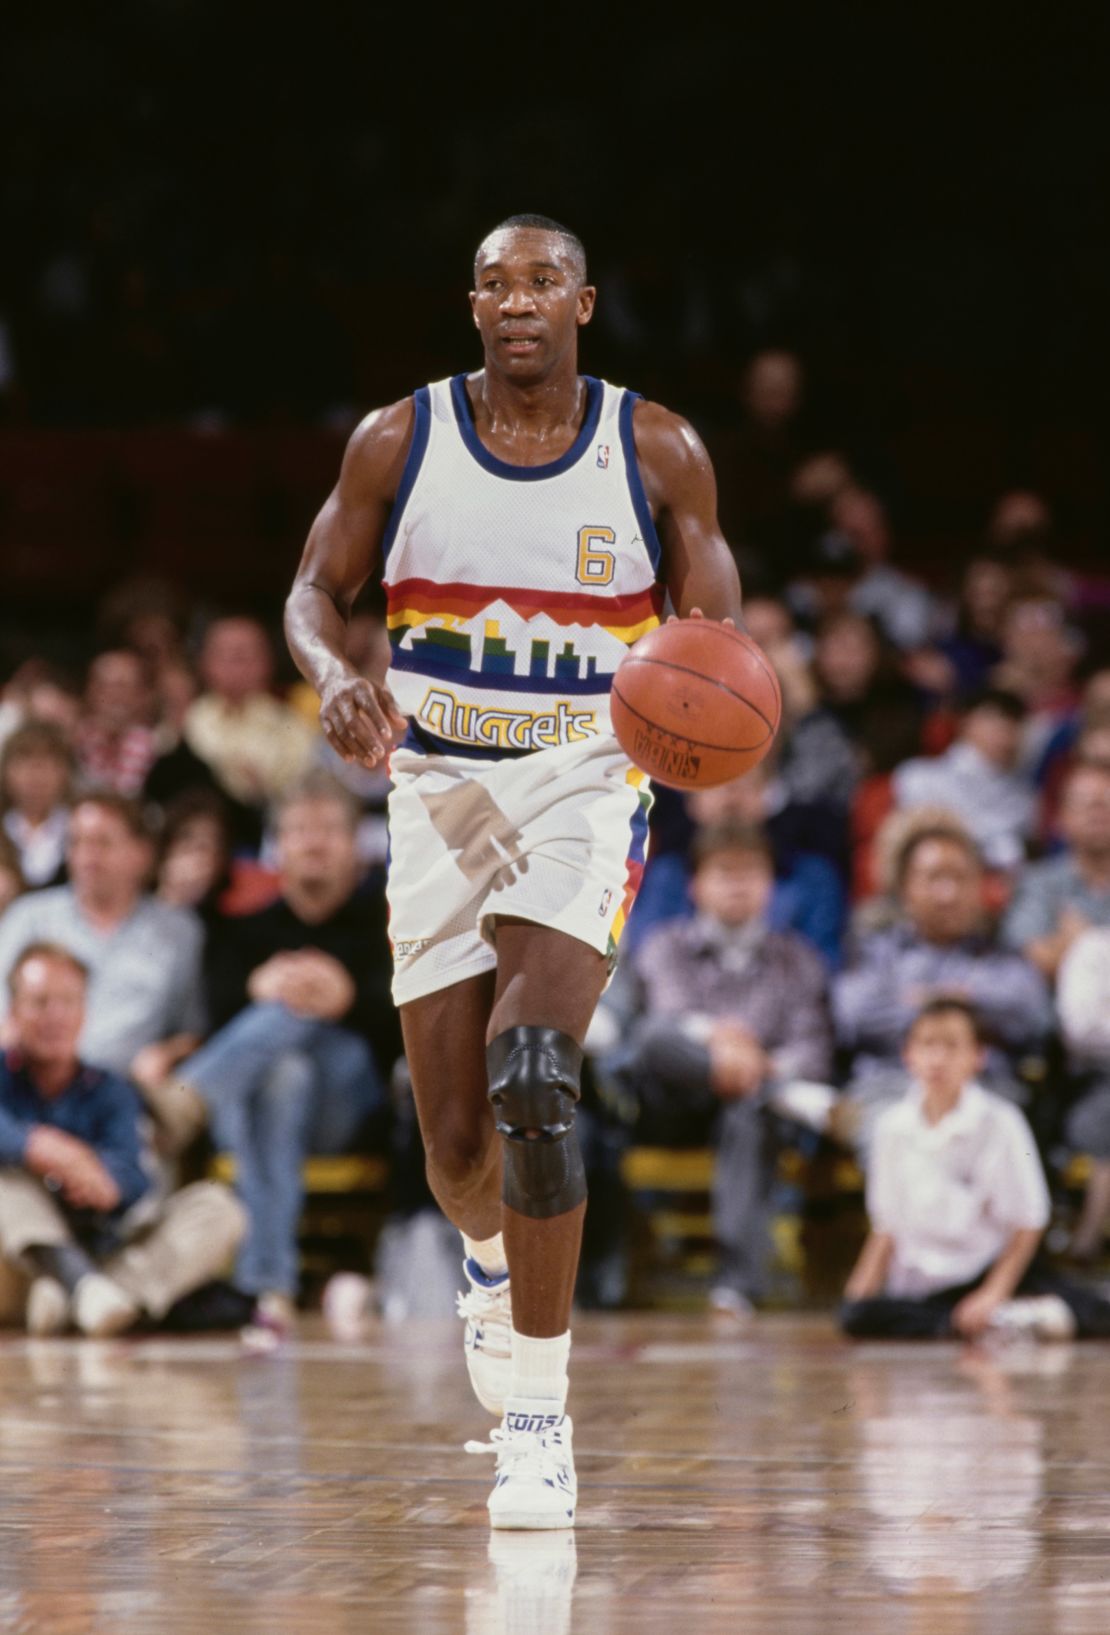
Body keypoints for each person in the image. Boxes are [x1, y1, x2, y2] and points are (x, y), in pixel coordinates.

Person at [283, 214, 743, 1529]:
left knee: (534, 1068)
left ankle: (539, 1419)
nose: (518, 298)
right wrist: (332, 678)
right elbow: (313, 594)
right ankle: (486, 1263)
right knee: (454, 1146)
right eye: (496, 280)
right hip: (437, 786)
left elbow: (718, 638)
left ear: (584, 301)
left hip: (585, 782)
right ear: (470, 305)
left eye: (543, 278)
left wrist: (699, 707)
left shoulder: (653, 447)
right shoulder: (397, 436)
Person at [159, 774, 394, 1329]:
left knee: (283, 1017)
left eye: (330, 830)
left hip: (349, 1109)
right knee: (282, 1074)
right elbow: (214, 1022)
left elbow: (403, 1033)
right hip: (265, 1106)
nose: (314, 842)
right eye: (300, 830)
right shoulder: (241, 931)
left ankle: (183, 1101)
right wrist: (258, 989)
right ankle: (270, 1285)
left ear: (353, 847)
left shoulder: (385, 927)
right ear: (277, 848)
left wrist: (346, 996)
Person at [602, 822, 832, 1314]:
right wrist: (725, 1048)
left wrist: (757, 1065)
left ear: (771, 885)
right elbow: (667, 1023)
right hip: (671, 1102)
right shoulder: (665, 944)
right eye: (724, 872)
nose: (738, 884)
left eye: (751, 873)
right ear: (696, 885)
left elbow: (813, 1051)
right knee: (654, 1039)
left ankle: (737, 1287)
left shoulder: (799, 959)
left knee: (750, 1112)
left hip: (754, 1109)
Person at [0, 943, 244, 1336]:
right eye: (40, 1003)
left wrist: (106, 1184)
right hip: (15, 1264)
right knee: (5, 1182)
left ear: (85, 1012)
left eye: (68, 1002)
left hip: (102, 1249)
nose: (55, 1017)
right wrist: (42, 1147)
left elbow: (133, 1176)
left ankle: (88, 1295)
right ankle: (78, 1286)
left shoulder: (110, 1088)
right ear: (14, 1012)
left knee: (219, 1207)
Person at [840, 998, 1110, 1341]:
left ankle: (1002, 1312)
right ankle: (1001, 1321)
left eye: (952, 1046)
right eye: (927, 1045)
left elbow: (1028, 1221)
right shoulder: (891, 1127)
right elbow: (886, 1227)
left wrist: (992, 1293)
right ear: (908, 1054)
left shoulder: (1001, 1121)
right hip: (925, 1284)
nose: (938, 1059)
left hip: (987, 1268)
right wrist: (858, 1294)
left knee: (1097, 1317)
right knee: (857, 1317)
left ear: (977, 1056)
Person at [828, 826, 1052, 1154]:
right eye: (934, 878)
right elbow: (853, 1015)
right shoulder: (875, 951)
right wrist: (958, 1013)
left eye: (961, 878)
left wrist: (953, 1003)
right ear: (904, 888)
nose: (948, 893)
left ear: (979, 887)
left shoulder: (1001, 955)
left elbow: (1035, 1017)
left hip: (984, 1088)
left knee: (995, 1132)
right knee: (899, 1134)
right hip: (891, 1088)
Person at [0, 793, 206, 1087]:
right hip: (32, 1089)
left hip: (128, 1092)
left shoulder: (180, 932)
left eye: (102, 843)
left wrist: (168, 1054)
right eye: (77, 842)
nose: (86, 857)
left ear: (142, 854)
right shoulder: (28, 917)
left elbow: (193, 1030)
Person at [892, 688, 1036, 873]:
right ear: (965, 722)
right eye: (992, 720)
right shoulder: (919, 776)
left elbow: (1018, 862)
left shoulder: (1024, 799)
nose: (1002, 733)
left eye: (1011, 724)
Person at [1002, 760, 1110, 979]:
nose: (1098, 811)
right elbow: (1034, 958)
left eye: (1106, 802)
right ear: (1061, 818)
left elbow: (1054, 956)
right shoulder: (1037, 882)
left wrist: (1080, 941)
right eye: (1086, 803)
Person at [74, 649, 158, 798]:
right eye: (107, 687)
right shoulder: (72, 743)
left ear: (143, 695)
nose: (116, 697)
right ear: (90, 691)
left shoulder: (159, 748)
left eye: (125, 687)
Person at [0, 720, 72, 888]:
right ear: (6, 773)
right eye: (24, 764)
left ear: (65, 772)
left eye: (46, 764)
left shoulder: (79, 828)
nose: (35, 775)